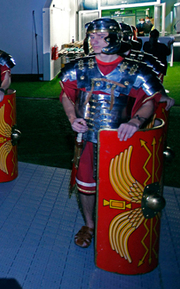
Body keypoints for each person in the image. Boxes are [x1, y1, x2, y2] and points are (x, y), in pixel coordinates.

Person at [59, 18, 164, 248]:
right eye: (91, 35)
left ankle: (117, 227)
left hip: (120, 141)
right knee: (86, 183)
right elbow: (66, 94)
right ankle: (90, 225)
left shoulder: (135, 70)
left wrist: (136, 121)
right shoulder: (80, 67)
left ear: (113, 38)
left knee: (120, 185)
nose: (92, 40)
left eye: (99, 35)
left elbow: (150, 99)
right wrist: (72, 118)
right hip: (86, 137)